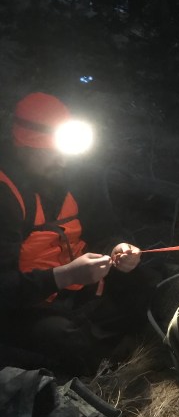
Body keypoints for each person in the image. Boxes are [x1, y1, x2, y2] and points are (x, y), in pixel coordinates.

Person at [0, 92, 151, 377]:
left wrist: (118, 247)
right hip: (24, 303)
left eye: (65, 152)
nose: (62, 162)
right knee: (66, 340)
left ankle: (116, 344)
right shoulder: (5, 192)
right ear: (24, 146)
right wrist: (63, 276)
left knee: (141, 282)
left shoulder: (73, 176)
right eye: (51, 152)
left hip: (79, 286)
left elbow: (105, 228)